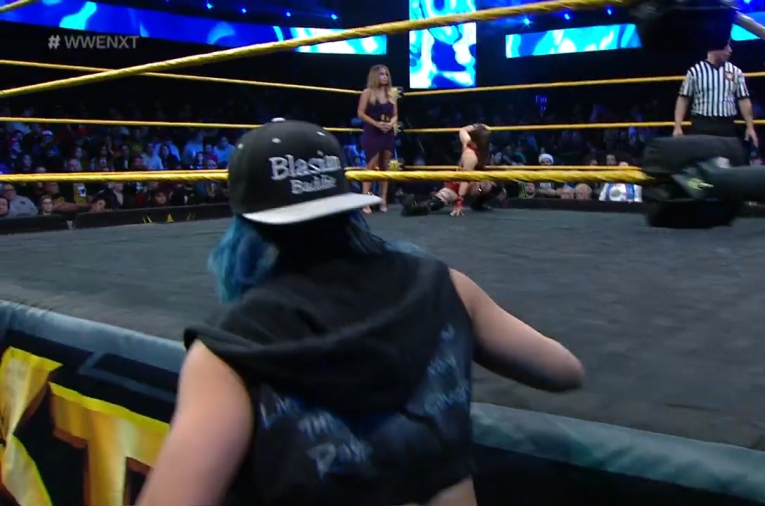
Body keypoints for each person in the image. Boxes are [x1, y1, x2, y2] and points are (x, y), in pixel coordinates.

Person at [136, 119, 584, 506]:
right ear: (344, 205)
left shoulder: (231, 349)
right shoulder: (442, 285)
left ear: (246, 224)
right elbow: (564, 370)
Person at [401, 123, 502, 217]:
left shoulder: (472, 143)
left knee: (496, 186)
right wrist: (459, 202)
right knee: (436, 202)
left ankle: (477, 204)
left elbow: (463, 130)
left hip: (475, 182)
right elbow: (464, 179)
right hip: (460, 184)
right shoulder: (470, 156)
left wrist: (478, 126)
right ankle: (413, 208)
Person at [674, 42, 758, 147]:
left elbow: (743, 99)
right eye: (726, 47)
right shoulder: (695, 71)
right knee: (701, 154)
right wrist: (678, 126)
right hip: (701, 124)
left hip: (726, 124)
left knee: (726, 155)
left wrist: (750, 127)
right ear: (715, 49)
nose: (730, 51)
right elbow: (683, 99)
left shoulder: (735, 72)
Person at [357, 64, 397, 214]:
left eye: (386, 74)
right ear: (375, 76)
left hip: (387, 132)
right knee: (371, 166)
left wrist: (391, 124)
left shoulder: (391, 94)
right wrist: (376, 124)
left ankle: (383, 200)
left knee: (385, 166)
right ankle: (366, 200)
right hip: (373, 131)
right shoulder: (367, 92)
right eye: (381, 74)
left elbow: (395, 115)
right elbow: (360, 113)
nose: (385, 77)